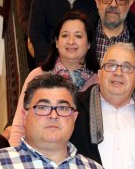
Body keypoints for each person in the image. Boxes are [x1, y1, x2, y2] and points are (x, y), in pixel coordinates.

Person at [8, 11, 99, 146]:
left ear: (89, 43)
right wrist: (15, 159)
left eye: (78, 36)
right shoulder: (38, 76)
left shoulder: (99, 82)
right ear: (56, 42)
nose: (71, 41)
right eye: (65, 35)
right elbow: (20, 126)